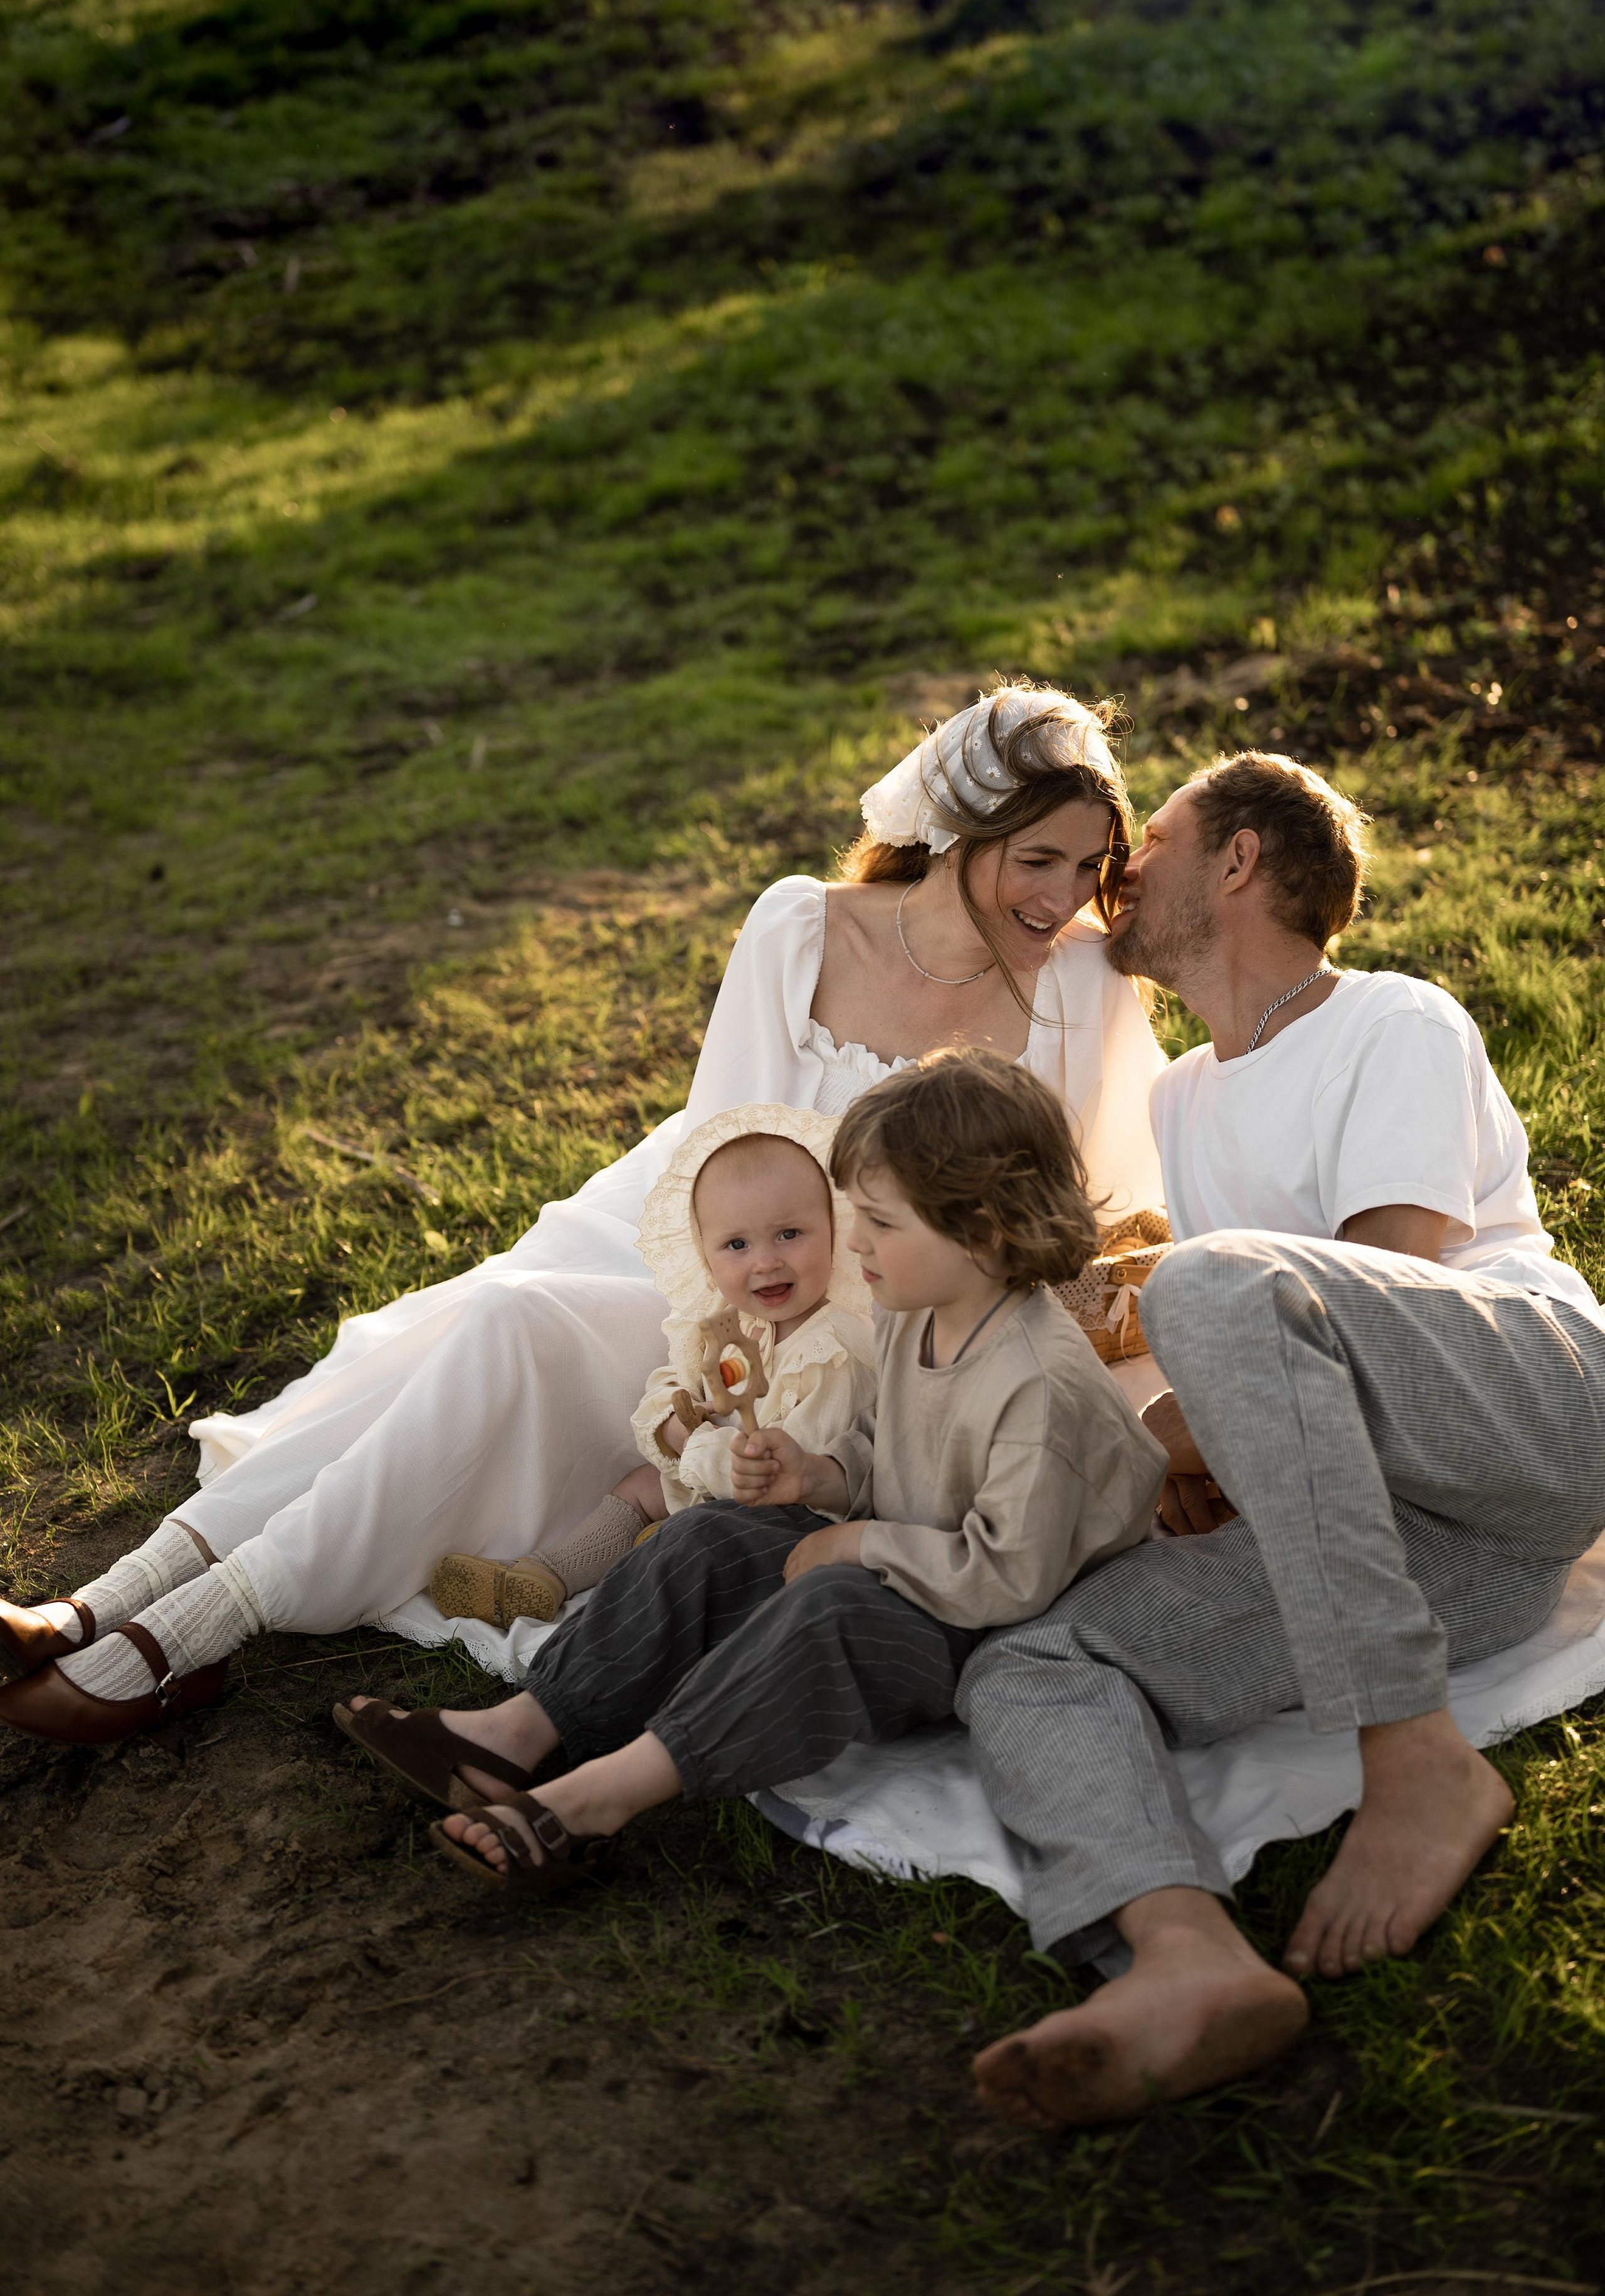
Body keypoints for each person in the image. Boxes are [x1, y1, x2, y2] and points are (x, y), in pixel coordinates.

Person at [0, 684, 1167, 1743]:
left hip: (867, 1325)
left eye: (1087, 867)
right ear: (959, 834)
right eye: (1038, 859)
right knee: (467, 1327)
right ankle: (106, 1597)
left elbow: (1107, 1201)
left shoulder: (1079, 984)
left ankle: (206, 1623)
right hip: (709, 1247)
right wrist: (721, 1309)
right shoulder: (804, 924)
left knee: (517, 1329)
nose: (1063, 896)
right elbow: (718, 1146)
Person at [959, 751, 1605, 2130]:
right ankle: (1178, 1953)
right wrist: (1215, 1446)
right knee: (1030, 1656)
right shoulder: (1180, 1098)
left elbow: (1376, 1274)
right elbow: (1262, 1363)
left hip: (1534, 1414)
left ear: (1238, 858)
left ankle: (1412, 1755)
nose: (1112, 878)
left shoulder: (1391, 1020)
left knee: (1210, 1287)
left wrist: (1191, 1439)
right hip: (1426, 1560)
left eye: (1154, 841)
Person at [337, 1051, 1166, 1897]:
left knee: (831, 1604)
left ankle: (590, 1802)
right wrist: (821, 1476)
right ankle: (519, 1731)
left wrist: (859, 1541)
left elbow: (1010, 1576)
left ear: (982, 1229)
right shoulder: (917, 1314)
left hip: (1004, 1621)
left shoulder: (1038, 1386)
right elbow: (888, 1443)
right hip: (923, 1559)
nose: (858, 1243)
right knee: (708, 1536)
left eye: (881, 1223)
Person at [428, 1103, 876, 1627]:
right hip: (713, 1478)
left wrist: (701, 1447)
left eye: (790, 1234)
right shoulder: (732, 1324)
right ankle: (542, 1576)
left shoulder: (836, 1348)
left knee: (696, 1530)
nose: (766, 1261)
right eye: (737, 1244)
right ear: (705, 1254)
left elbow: (796, 1470)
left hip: (786, 1520)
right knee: (642, 1484)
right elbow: (677, 1379)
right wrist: (674, 1419)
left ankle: (641, 1576)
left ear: (834, 1230)